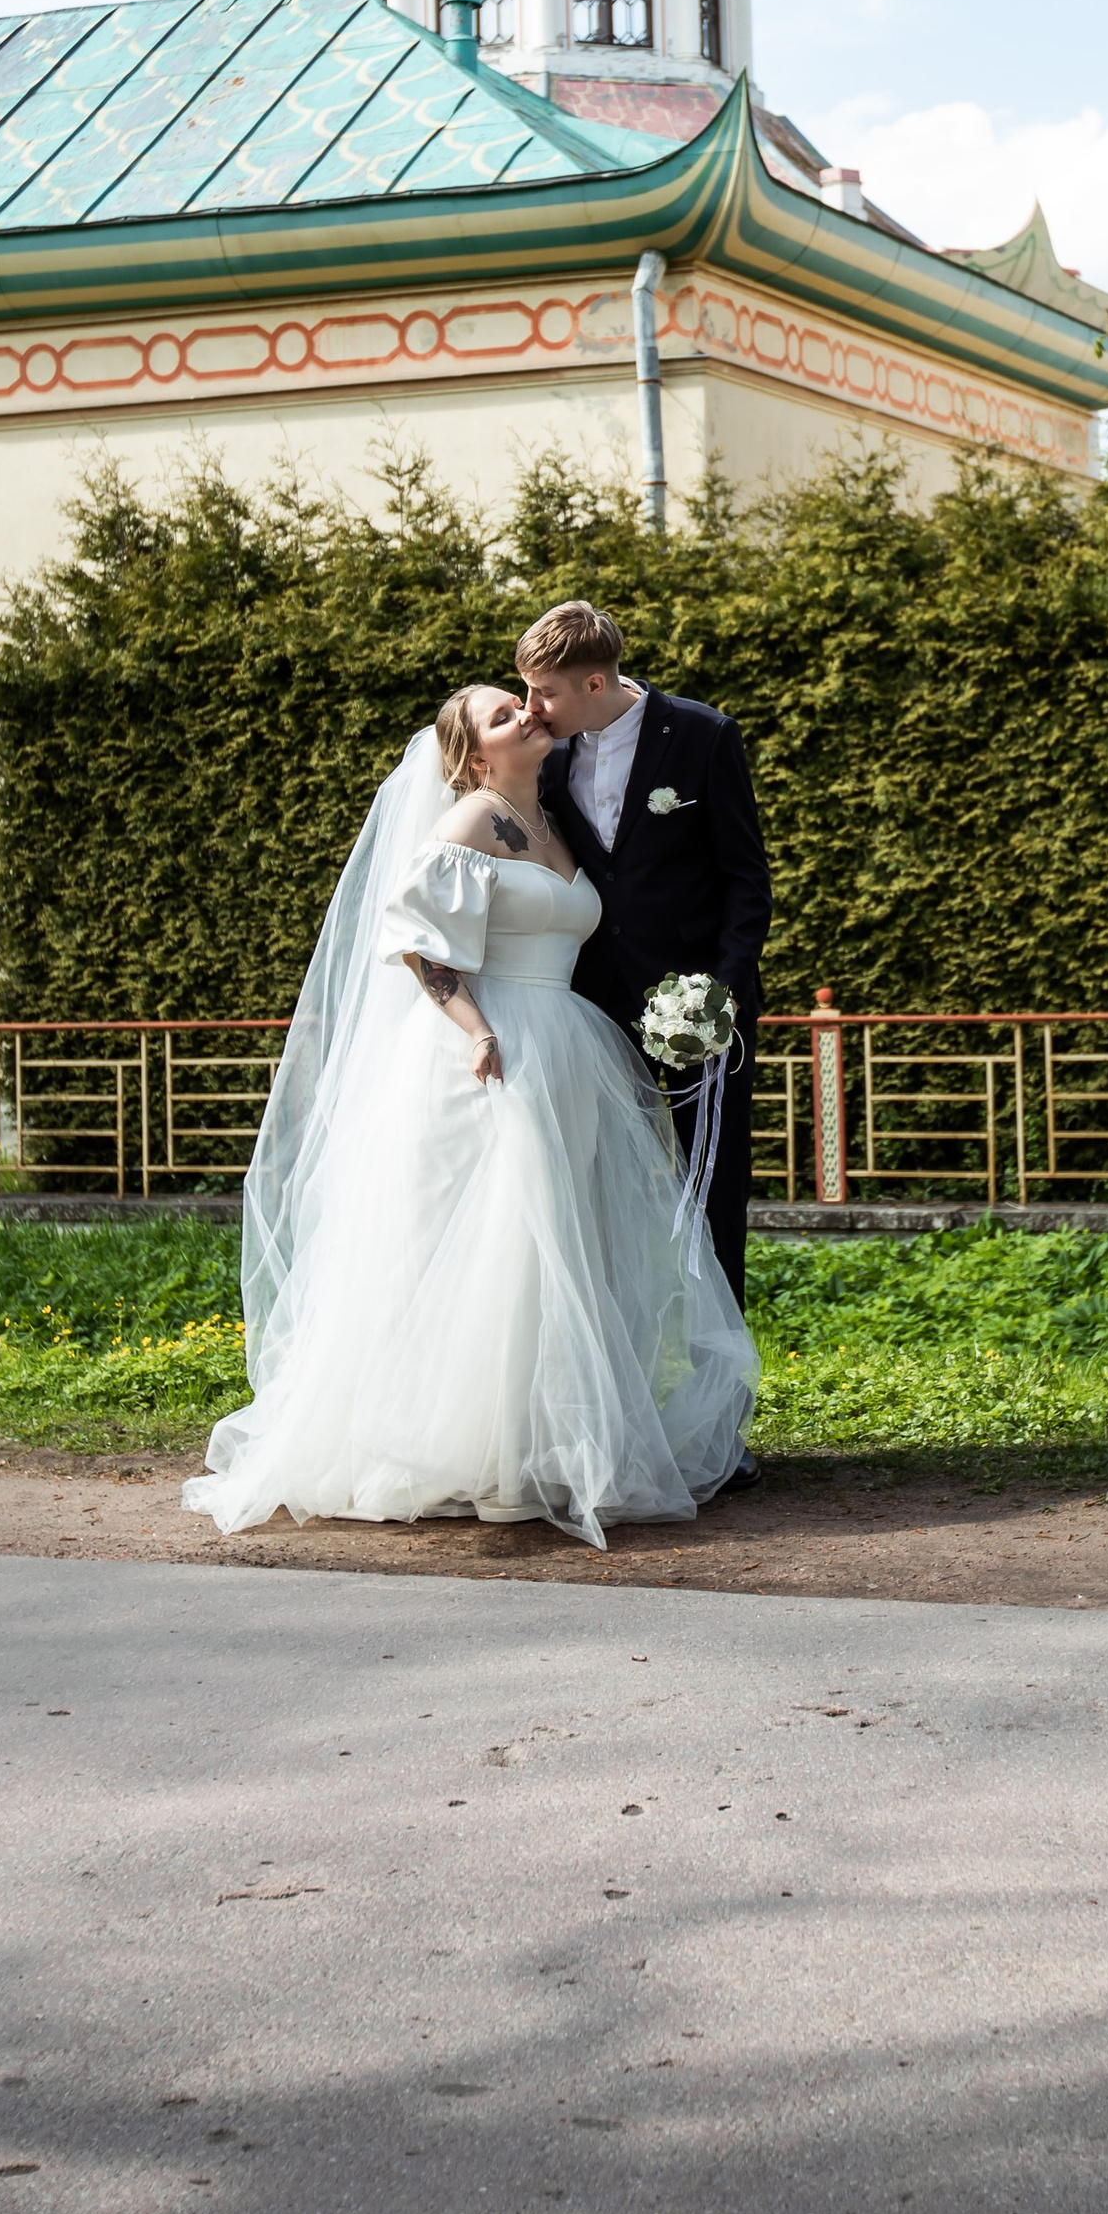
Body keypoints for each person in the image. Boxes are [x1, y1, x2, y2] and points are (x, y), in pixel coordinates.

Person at [182, 685, 757, 1552]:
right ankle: (481, 1458)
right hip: (495, 1053)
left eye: (523, 705)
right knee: (502, 1246)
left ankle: (535, 1443)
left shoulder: (553, 819)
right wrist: (477, 1029)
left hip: (570, 1045)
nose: (527, 715)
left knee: (561, 1246)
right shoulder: (469, 825)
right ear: (471, 756)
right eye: (502, 715)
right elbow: (416, 940)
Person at [516, 600, 772, 1312]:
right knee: (594, 1192)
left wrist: (722, 994)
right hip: (589, 1013)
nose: (531, 707)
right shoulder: (546, 751)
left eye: (546, 692)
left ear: (594, 685)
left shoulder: (702, 735)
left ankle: (721, 1400)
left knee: (713, 1193)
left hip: (698, 1013)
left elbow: (747, 881)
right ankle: (617, 1385)